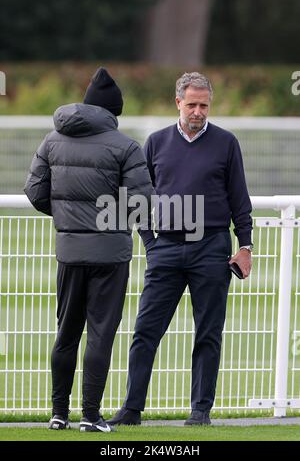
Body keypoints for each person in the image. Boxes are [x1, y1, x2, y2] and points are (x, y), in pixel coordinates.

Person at [108, 72, 253, 427]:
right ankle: (131, 409)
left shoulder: (226, 143)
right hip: (166, 250)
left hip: (213, 247)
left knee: (208, 333)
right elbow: (139, 197)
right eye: (192, 104)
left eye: (204, 105)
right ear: (178, 103)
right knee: (145, 331)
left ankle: (200, 411)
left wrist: (245, 246)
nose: (199, 111)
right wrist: (150, 243)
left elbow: (240, 199)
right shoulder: (156, 143)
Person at [24, 68, 153, 432]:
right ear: (113, 111)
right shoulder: (126, 146)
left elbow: (35, 192)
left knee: (66, 333)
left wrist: (67, 217)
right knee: (100, 334)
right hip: (110, 254)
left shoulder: (52, 140)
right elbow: (140, 203)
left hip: (68, 251)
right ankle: (91, 416)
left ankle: (58, 413)